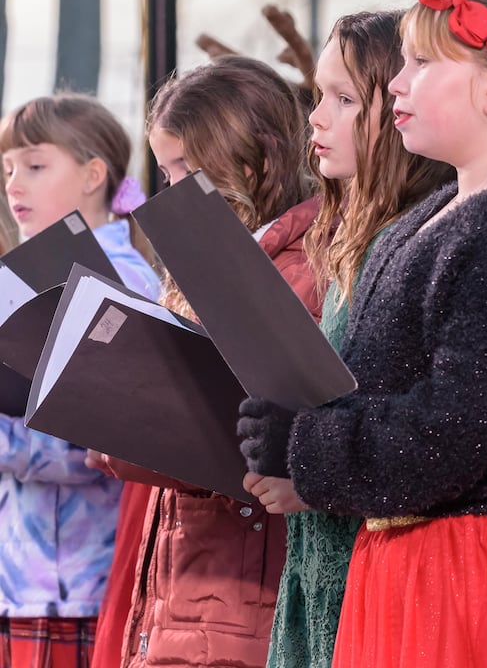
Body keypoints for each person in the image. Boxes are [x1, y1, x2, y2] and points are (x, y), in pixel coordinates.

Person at [239, 0, 487, 667]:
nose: (399, 84)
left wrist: (309, 446)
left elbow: (468, 422)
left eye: (423, 64)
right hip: (414, 563)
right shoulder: (425, 222)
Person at [90, 55, 322, 668]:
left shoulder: (302, 271)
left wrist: (127, 423)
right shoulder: (203, 262)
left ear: (256, 160)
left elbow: (245, 436)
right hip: (182, 584)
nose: (171, 192)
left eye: (187, 171)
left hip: (243, 597)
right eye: (163, 173)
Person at [238, 12, 452, 668]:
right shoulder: (351, 239)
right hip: (318, 567)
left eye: (344, 100)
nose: (317, 119)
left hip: (375, 577)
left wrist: (314, 473)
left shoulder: (415, 242)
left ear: (399, 111)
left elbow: (432, 430)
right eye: (316, 97)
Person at [0, 95, 160, 668]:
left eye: (36, 165)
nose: (16, 182)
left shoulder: (126, 281)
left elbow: (109, 443)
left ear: (95, 174)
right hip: (23, 580)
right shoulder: (18, 275)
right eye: (9, 167)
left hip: (83, 585)